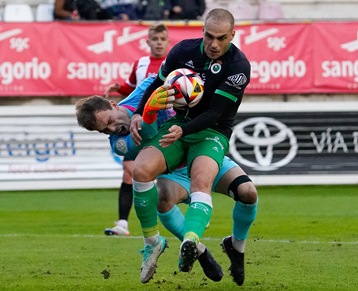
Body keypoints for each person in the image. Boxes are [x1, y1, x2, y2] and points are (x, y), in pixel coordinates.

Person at [76, 77, 257, 285]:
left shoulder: (145, 89)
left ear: (113, 104)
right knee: (163, 198)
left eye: (109, 122)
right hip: (174, 172)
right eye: (104, 131)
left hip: (201, 151)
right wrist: (150, 114)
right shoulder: (119, 144)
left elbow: (170, 77)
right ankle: (196, 249)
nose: (113, 130)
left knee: (248, 192)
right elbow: (152, 137)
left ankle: (236, 246)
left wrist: (177, 85)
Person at [128, 8, 252, 284]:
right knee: (140, 170)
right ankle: (152, 243)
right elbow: (157, 83)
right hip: (177, 129)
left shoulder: (238, 66)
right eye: (209, 36)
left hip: (212, 132)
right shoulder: (182, 51)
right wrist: (138, 111)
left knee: (205, 182)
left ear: (233, 35)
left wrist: (182, 128)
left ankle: (194, 241)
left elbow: (215, 113)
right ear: (202, 31)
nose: (214, 44)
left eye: (221, 38)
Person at [103, 23, 170, 236]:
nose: (159, 43)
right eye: (155, 39)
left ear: (167, 42)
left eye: (162, 39)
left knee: (163, 177)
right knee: (129, 172)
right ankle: (122, 223)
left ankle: (171, 219)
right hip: (135, 126)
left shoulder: (172, 63)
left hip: (162, 125)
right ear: (148, 41)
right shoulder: (140, 64)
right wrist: (118, 88)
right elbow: (132, 88)